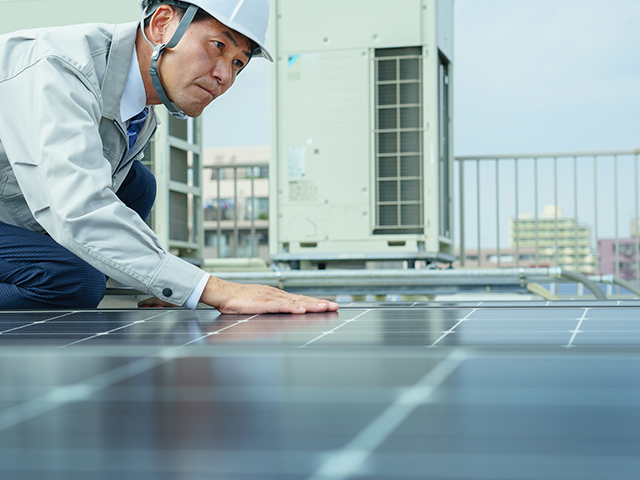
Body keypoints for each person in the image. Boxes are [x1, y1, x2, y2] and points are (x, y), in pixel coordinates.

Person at [0, 0, 338, 314]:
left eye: (238, 62)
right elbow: (77, 208)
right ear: (163, 23)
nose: (225, 75)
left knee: (138, 183)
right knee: (71, 279)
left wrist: (165, 282)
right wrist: (206, 288)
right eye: (218, 45)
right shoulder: (61, 68)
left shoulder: (141, 116)